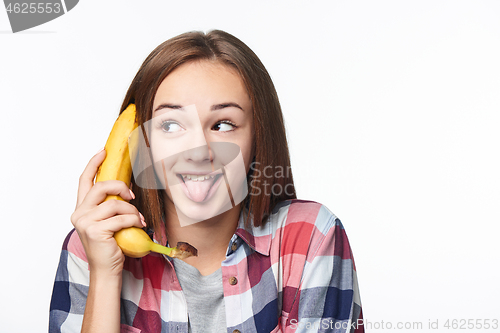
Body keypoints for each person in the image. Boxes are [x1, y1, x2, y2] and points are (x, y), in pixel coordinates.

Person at [49, 30, 364, 333]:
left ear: (258, 137)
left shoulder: (311, 238)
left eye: (224, 124)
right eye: (171, 125)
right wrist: (105, 275)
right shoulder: (90, 247)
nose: (198, 152)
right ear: (141, 142)